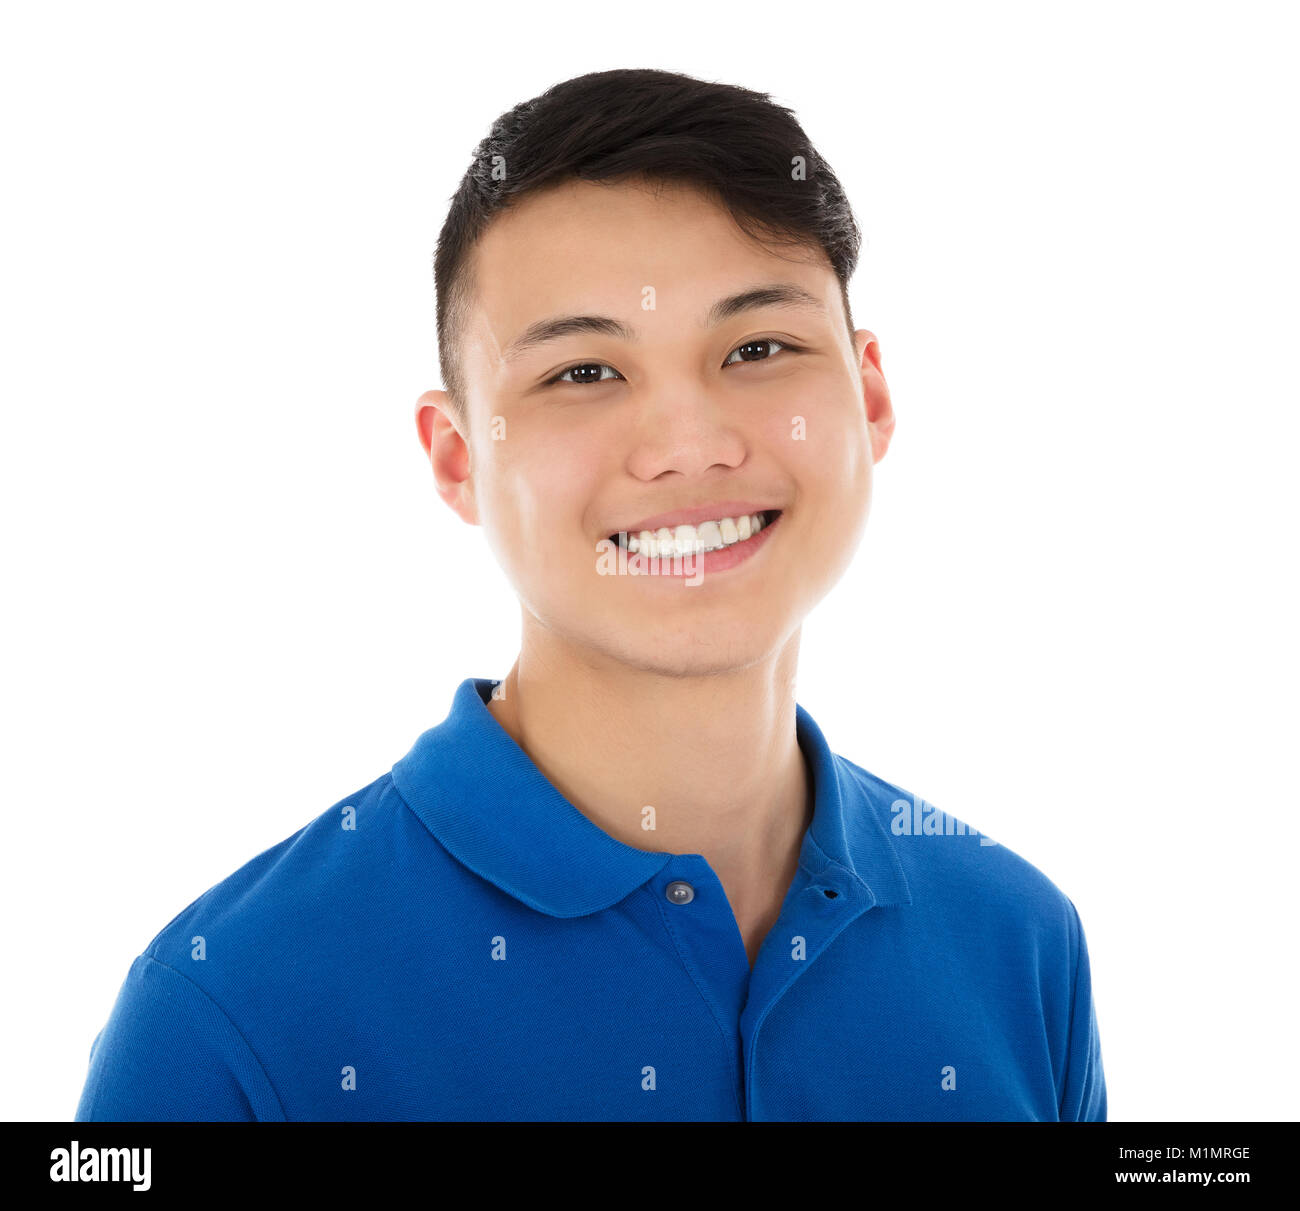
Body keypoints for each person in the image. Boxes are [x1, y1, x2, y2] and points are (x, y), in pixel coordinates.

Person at [76, 68, 1106, 1121]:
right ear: (456, 457)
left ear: (869, 393)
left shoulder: (1019, 941)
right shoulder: (230, 1011)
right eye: (582, 372)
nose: (689, 446)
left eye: (757, 348)